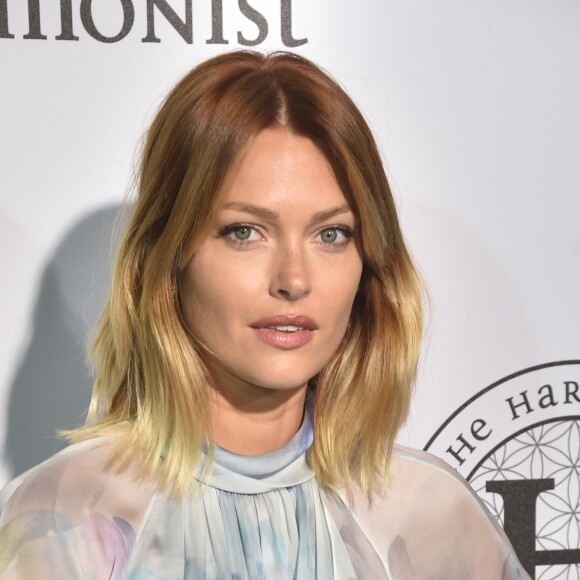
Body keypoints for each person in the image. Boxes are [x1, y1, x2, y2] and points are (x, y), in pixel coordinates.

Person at [0, 51, 529, 579]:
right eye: (244, 232)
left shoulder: (431, 516)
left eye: (331, 234)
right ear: (168, 257)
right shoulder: (61, 520)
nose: (294, 280)